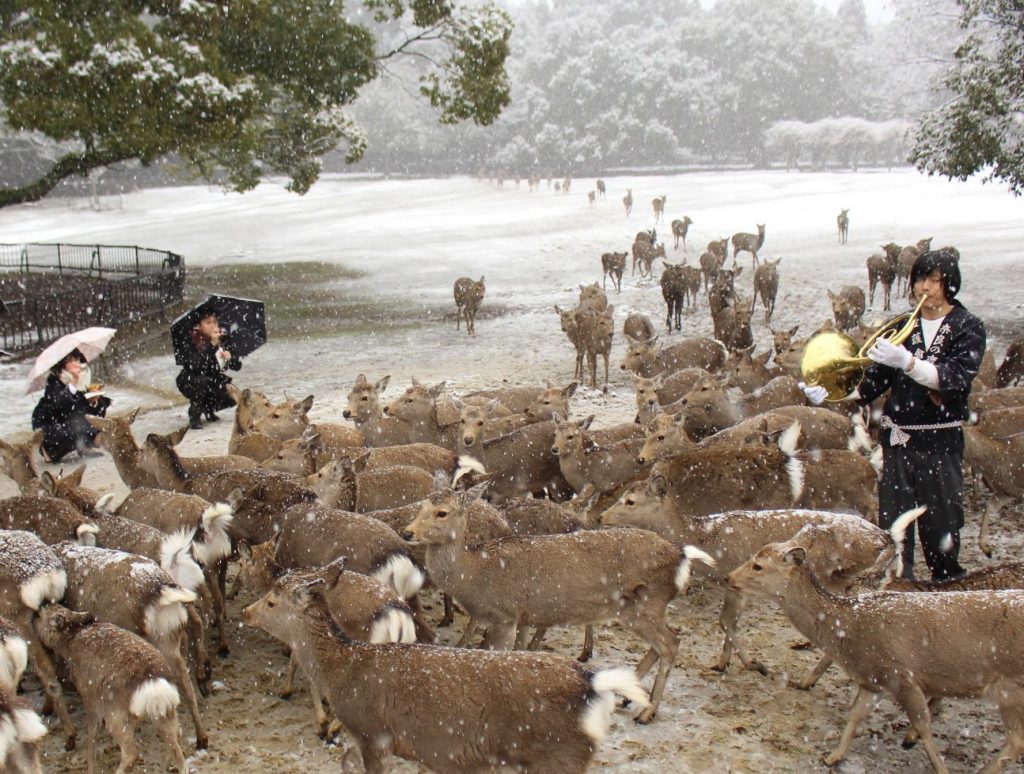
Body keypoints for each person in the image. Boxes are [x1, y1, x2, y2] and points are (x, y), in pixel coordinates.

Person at [801, 249, 985, 582]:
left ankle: (947, 587)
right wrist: (831, 392)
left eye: (934, 281)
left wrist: (909, 363)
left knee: (942, 528)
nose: (925, 288)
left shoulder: (968, 327)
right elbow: (872, 382)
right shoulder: (902, 326)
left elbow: (956, 378)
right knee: (893, 531)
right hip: (898, 442)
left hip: (940, 443)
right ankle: (899, 591)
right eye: (920, 279)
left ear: (949, 285)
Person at [31, 349, 112, 462]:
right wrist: (74, 382)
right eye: (70, 360)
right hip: (52, 424)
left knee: (100, 404)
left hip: (69, 418)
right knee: (75, 426)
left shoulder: (81, 379)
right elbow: (62, 403)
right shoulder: (55, 381)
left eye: (77, 359)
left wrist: (93, 399)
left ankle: (84, 444)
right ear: (62, 364)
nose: (76, 363)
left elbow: (79, 403)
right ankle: (49, 449)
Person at [176, 311, 240, 429]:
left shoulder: (223, 339)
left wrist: (230, 358)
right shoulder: (192, 340)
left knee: (232, 396)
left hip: (211, 377)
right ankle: (194, 414)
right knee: (202, 382)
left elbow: (237, 366)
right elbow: (196, 366)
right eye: (208, 323)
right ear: (199, 326)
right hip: (191, 379)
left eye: (215, 322)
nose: (213, 326)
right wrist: (212, 345)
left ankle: (208, 408)